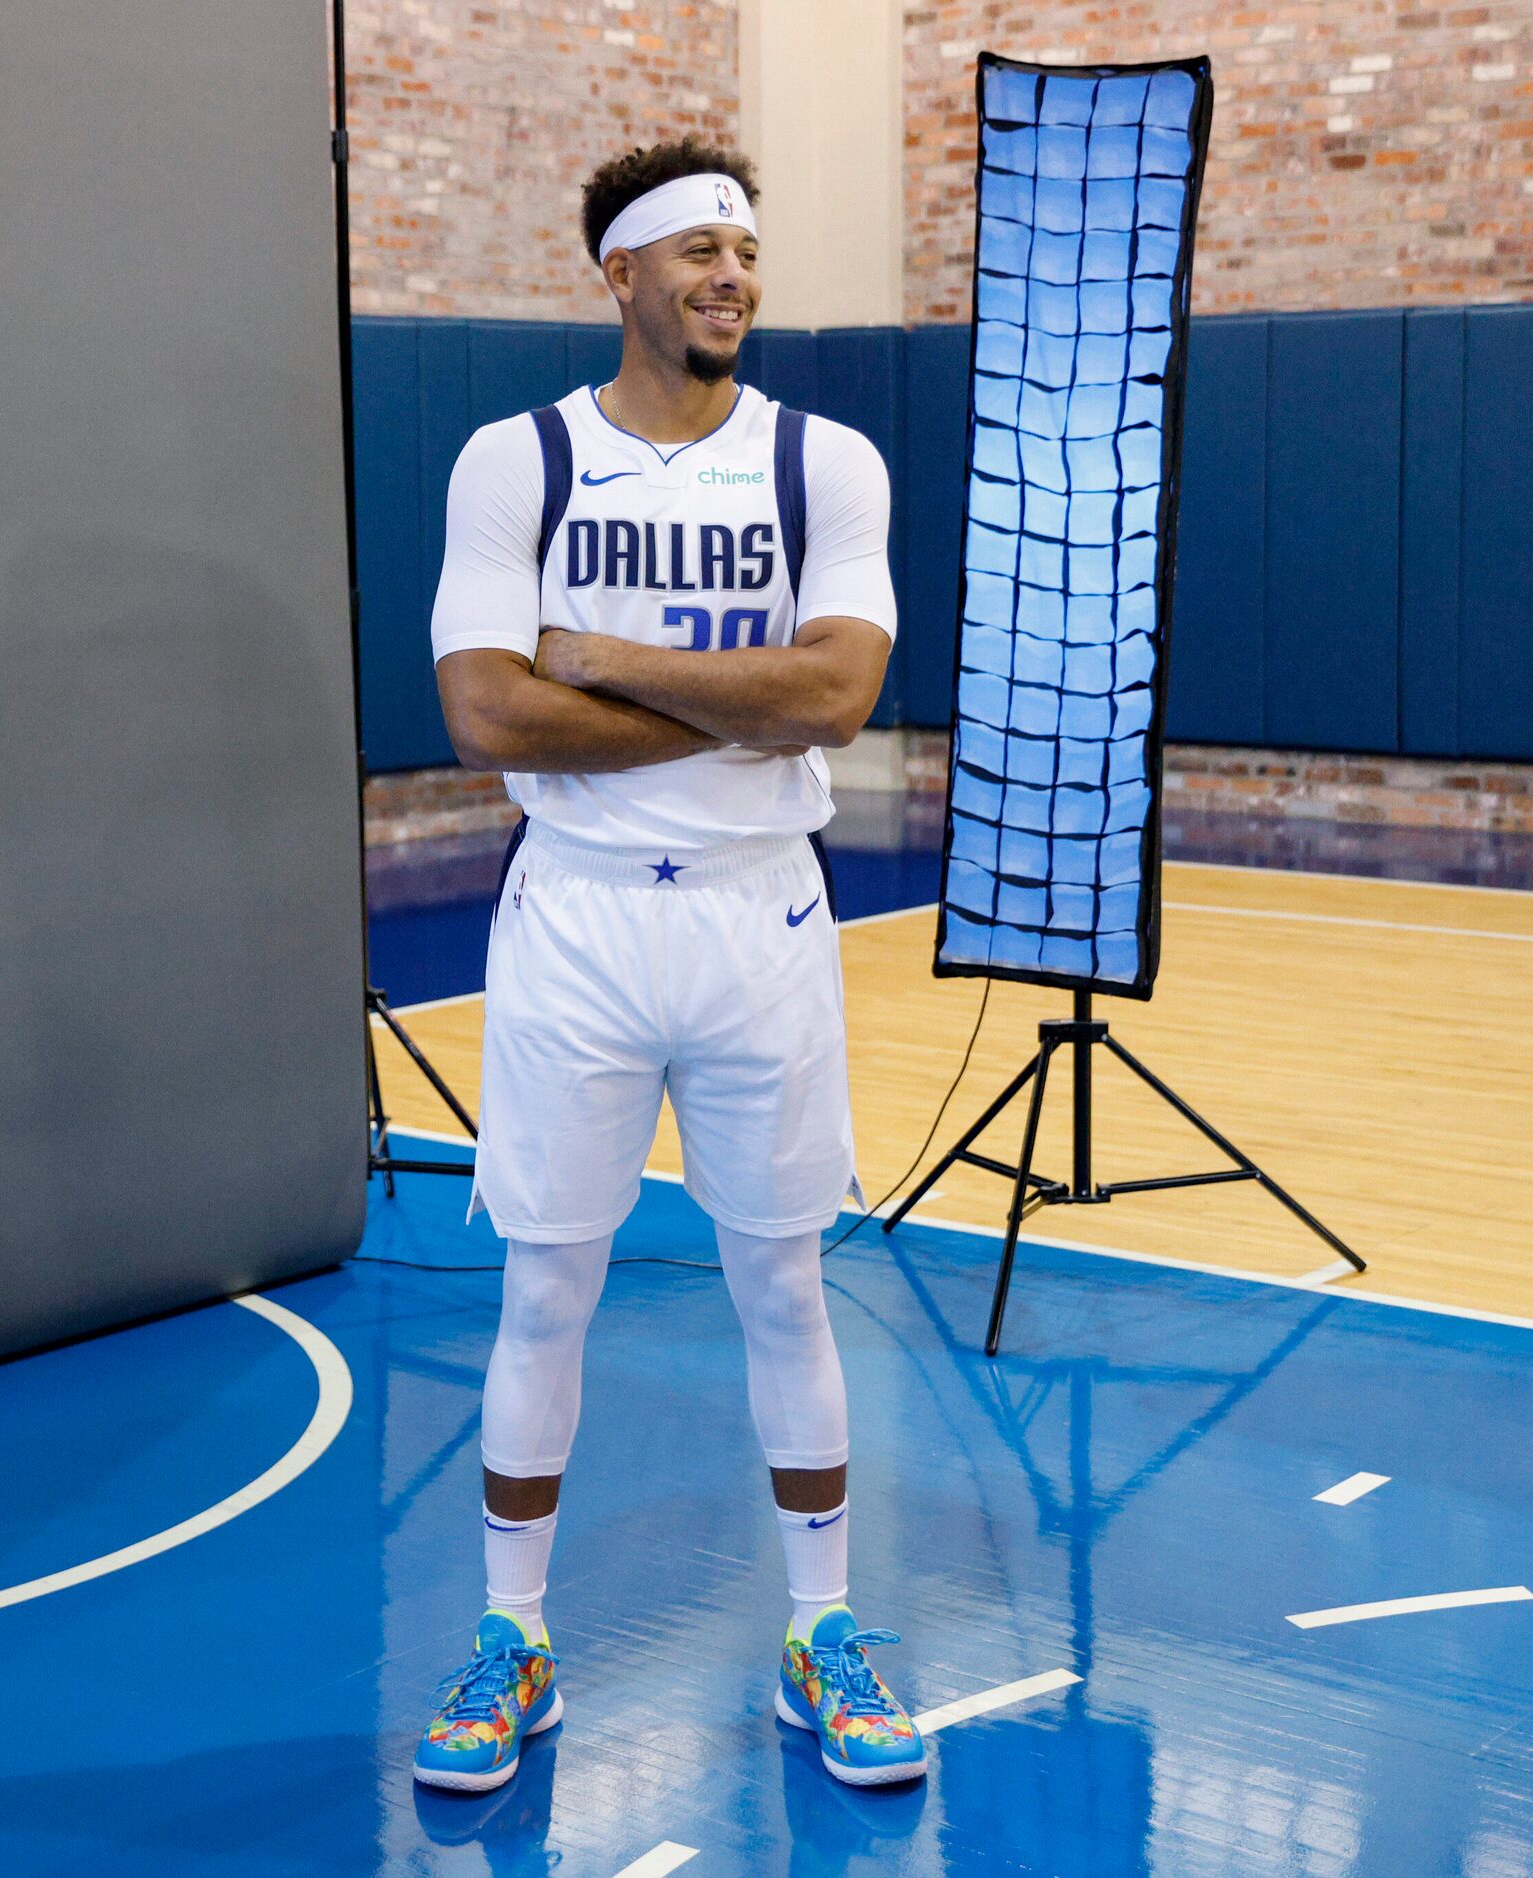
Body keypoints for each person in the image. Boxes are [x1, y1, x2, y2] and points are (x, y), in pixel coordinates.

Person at [410, 135, 926, 1795]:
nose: (732, 278)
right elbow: (484, 711)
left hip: (762, 910)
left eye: (748, 255)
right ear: (619, 273)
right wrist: (729, 689)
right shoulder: (518, 460)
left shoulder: (824, 463)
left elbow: (836, 698)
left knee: (782, 1277)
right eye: (697, 250)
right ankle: (513, 1641)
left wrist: (607, 662)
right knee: (546, 1281)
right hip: (572, 914)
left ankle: (824, 1633)